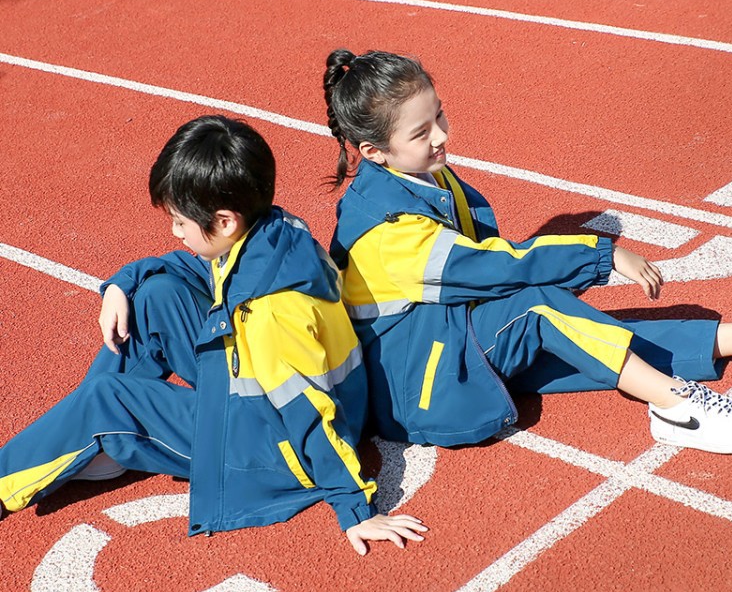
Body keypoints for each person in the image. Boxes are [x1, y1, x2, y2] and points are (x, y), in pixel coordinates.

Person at [0, 114, 427, 555]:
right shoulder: (273, 231)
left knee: (106, 399)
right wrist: (121, 285)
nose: (175, 231)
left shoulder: (271, 311)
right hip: (263, 404)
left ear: (224, 221)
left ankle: (59, 451)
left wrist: (355, 509)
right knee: (155, 295)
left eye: (181, 223)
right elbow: (192, 268)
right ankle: (92, 440)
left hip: (273, 450)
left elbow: (309, 410)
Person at [323, 48, 732, 453]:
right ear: (374, 152)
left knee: (586, 333)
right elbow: (494, 265)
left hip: (451, 339)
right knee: (540, 306)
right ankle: (676, 409)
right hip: (421, 388)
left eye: (439, 114)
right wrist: (602, 255)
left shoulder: (422, 174)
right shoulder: (389, 233)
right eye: (421, 132)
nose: (440, 134)